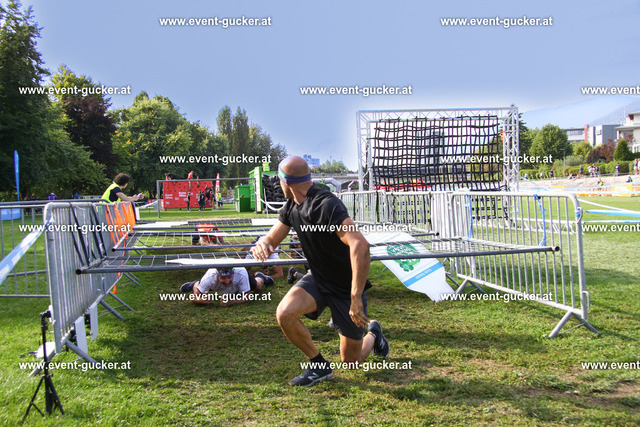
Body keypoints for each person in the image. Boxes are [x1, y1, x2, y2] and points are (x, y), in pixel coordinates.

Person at [252, 156, 389, 387]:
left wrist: (355, 297)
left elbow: (360, 245)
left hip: (345, 288)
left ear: (286, 182)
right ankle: (318, 365)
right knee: (285, 313)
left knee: (351, 362)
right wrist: (264, 243)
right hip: (318, 278)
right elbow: (272, 237)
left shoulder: (325, 204)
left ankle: (374, 334)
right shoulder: (292, 205)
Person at [179, 267, 268, 306]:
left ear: (233, 274)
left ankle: (261, 277)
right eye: (223, 278)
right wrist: (201, 300)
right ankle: (197, 283)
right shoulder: (211, 276)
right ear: (217, 275)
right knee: (200, 285)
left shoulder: (241, 273)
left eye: (229, 277)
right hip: (212, 282)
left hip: (242, 276)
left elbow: (248, 297)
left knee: (257, 287)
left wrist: (231, 302)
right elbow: (194, 297)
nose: (227, 281)